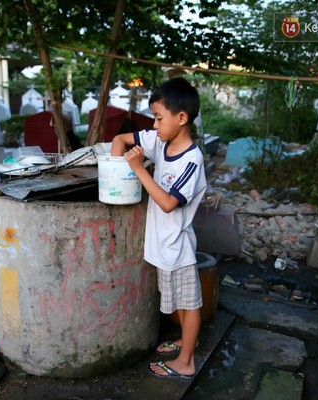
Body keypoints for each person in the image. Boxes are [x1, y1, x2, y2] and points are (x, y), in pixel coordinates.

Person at [110, 77, 207, 381]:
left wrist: (138, 169)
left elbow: (167, 203)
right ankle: (186, 341)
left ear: (181, 118)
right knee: (174, 302)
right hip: (161, 244)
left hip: (177, 248)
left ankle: (186, 360)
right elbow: (120, 141)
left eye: (158, 118)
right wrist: (114, 178)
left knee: (189, 305)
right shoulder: (159, 141)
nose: (153, 125)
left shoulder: (191, 161)